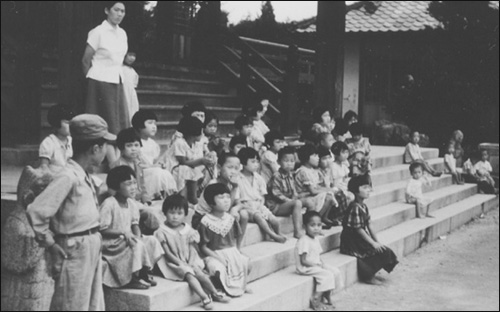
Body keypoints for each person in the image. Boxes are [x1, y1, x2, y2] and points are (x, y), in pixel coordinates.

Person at [27, 114, 116, 310]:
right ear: (95, 149)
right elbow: (36, 211)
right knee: (71, 304)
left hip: (90, 244)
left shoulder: (83, 174)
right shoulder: (67, 176)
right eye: (105, 147)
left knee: (92, 304)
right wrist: (50, 244)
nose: (106, 152)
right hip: (73, 248)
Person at [155, 194, 230, 309]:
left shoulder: (188, 229)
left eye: (179, 213)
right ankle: (204, 296)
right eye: (172, 213)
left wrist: (190, 262)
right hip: (173, 262)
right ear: (164, 213)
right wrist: (182, 264)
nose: (175, 217)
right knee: (189, 275)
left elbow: (191, 247)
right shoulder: (162, 231)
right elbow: (167, 253)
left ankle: (215, 293)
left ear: (185, 214)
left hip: (190, 257)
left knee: (199, 272)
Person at [99, 166, 164, 289]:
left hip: (127, 239)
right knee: (136, 244)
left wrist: (138, 236)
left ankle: (144, 272)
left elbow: (135, 224)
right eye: (128, 184)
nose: (133, 187)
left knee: (151, 241)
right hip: (113, 244)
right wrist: (123, 232)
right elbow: (102, 229)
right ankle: (132, 278)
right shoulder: (109, 204)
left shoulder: (132, 204)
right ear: (116, 186)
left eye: (134, 183)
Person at [340, 175, 399, 285]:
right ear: (356, 191)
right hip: (352, 240)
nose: (369, 190)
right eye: (365, 188)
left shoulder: (364, 206)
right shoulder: (354, 207)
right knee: (368, 254)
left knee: (384, 251)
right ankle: (367, 275)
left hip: (360, 237)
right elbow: (358, 229)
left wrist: (376, 242)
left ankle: (372, 271)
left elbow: (369, 225)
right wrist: (372, 243)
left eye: (369, 187)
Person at [82, 1, 129, 135]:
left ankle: (118, 151)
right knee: (104, 119)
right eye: (116, 10)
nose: (120, 14)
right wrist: (92, 81)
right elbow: (85, 60)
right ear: (107, 11)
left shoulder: (122, 34)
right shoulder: (98, 32)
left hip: (117, 79)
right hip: (99, 81)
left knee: (119, 118)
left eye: (122, 11)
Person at [199, 183, 250, 297]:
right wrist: (218, 257)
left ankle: (241, 285)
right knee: (218, 269)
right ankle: (223, 287)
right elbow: (203, 247)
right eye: (221, 198)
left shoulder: (230, 219)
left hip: (231, 251)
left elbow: (235, 240)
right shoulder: (206, 221)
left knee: (246, 262)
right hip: (214, 253)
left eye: (228, 197)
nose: (226, 201)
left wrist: (236, 252)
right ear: (211, 202)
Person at [193, 152, 249, 240]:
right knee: (232, 216)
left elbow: (238, 202)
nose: (233, 171)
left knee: (244, 214)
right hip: (203, 218)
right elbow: (224, 208)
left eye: (236, 168)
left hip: (219, 213)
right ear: (219, 167)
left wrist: (235, 208)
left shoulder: (232, 183)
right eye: (230, 167)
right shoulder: (214, 185)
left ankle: (237, 246)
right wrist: (234, 188)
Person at [237, 148, 287, 243]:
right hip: (246, 206)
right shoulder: (238, 178)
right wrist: (251, 208)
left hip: (259, 205)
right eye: (253, 162)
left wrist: (261, 206)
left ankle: (278, 232)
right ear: (243, 162)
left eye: (257, 162)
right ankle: (273, 235)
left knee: (274, 220)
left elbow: (262, 196)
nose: (256, 164)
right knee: (259, 217)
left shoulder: (258, 178)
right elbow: (238, 199)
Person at [295, 211, 342, 311]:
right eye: (312, 225)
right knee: (327, 275)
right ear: (305, 226)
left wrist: (322, 264)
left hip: (315, 264)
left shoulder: (315, 239)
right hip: (305, 267)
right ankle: (316, 299)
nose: (316, 228)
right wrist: (316, 265)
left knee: (335, 271)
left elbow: (317, 256)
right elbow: (303, 260)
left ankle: (327, 294)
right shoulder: (304, 240)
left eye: (319, 225)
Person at [164, 116, 216, 204]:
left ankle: (193, 196)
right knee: (187, 170)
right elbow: (182, 161)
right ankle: (184, 197)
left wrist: (208, 157)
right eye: (201, 131)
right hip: (174, 167)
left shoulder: (195, 144)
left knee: (192, 170)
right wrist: (201, 161)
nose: (203, 134)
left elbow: (193, 158)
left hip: (186, 167)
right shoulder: (180, 142)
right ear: (193, 132)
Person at [131, 110, 178, 199]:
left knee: (165, 171)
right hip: (141, 172)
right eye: (150, 123)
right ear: (139, 126)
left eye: (155, 124)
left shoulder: (152, 143)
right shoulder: (135, 143)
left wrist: (159, 164)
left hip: (151, 170)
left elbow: (155, 160)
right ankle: (155, 195)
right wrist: (153, 166)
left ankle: (168, 196)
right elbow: (139, 164)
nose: (154, 127)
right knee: (157, 172)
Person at [266, 146, 304, 239]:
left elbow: (293, 190)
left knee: (303, 202)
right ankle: (297, 231)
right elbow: (276, 193)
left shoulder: (290, 175)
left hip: (285, 204)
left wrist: (295, 197)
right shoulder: (276, 176)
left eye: (292, 161)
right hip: (276, 206)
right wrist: (290, 201)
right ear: (279, 162)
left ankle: (308, 227)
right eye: (286, 161)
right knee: (297, 203)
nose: (289, 164)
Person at [110, 128, 150, 202]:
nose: (133, 149)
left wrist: (146, 200)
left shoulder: (137, 164)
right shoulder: (118, 166)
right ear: (121, 147)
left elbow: (142, 186)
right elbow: (117, 192)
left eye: (136, 145)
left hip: (138, 200)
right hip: (126, 202)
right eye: (129, 146)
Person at [122, 51, 139, 118]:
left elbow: (134, 84)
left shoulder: (133, 72)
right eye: (130, 55)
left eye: (134, 55)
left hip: (131, 94)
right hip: (123, 92)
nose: (132, 58)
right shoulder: (119, 69)